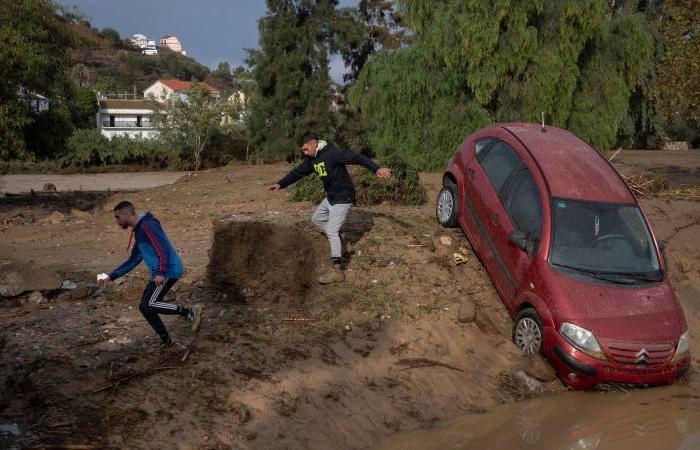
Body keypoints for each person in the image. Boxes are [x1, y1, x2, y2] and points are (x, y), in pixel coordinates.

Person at [268, 131, 392, 284]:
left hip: (344, 196)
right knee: (316, 219)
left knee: (332, 230)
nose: (304, 152)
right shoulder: (310, 159)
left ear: (314, 143)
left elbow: (357, 158)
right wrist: (281, 184)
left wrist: (376, 169)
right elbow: (297, 172)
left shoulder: (333, 153)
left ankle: (337, 271)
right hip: (331, 197)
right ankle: (339, 244)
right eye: (303, 150)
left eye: (306, 149)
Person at [103, 201, 203, 348]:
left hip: (167, 270)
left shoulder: (148, 225)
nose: (116, 221)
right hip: (160, 272)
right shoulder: (139, 230)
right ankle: (166, 341)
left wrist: (160, 271)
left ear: (126, 214)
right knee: (145, 307)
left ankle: (189, 312)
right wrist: (113, 275)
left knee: (149, 303)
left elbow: (161, 248)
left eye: (117, 217)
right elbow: (135, 259)